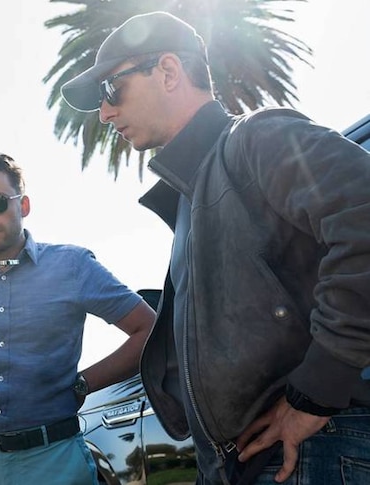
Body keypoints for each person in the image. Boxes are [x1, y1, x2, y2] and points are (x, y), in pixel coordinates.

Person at [60, 11, 370, 485]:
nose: (104, 113)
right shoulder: (194, 196)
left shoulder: (257, 137)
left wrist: (316, 393)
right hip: (253, 463)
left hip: (312, 451)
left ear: (167, 71)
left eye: (110, 90)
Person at [0, 153, 156, 485]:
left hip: (55, 458)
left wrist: (85, 383)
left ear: (23, 205)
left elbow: (149, 329)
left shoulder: (73, 266)